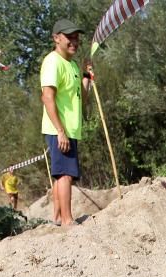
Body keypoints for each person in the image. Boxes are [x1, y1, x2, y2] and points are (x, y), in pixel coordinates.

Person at [40, 18, 93, 227]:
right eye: (69, 37)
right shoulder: (53, 62)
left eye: (76, 37)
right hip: (60, 129)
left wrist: (87, 76)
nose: (74, 41)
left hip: (70, 129)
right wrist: (60, 131)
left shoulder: (72, 65)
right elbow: (47, 97)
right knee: (65, 174)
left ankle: (57, 218)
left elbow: (82, 98)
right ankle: (67, 220)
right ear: (56, 38)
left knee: (62, 174)